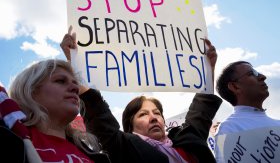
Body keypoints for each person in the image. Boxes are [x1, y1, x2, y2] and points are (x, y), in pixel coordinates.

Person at [61, 27, 222, 163]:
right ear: (130, 127)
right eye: (143, 114)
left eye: (157, 113)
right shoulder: (125, 148)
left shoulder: (188, 140)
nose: (154, 118)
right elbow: (97, 114)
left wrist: (208, 67)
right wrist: (75, 61)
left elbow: (202, 109)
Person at [0, 59, 111, 163]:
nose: (76, 88)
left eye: (75, 83)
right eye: (61, 81)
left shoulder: (94, 155)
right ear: (31, 91)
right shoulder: (11, 140)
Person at [214, 61, 280, 162]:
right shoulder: (229, 128)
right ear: (235, 87)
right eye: (251, 74)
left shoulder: (277, 124)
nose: (262, 76)